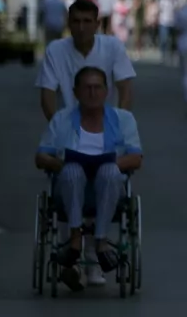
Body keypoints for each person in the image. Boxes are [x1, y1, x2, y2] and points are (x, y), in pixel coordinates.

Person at [35, 66, 143, 292]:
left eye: (97, 87)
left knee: (109, 171)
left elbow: (135, 157)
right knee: (73, 170)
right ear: (76, 92)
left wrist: (109, 163)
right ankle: (75, 238)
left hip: (109, 186)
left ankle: (101, 241)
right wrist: (62, 164)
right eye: (87, 88)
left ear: (106, 91)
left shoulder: (123, 119)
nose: (92, 93)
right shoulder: (62, 119)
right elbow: (41, 156)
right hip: (70, 186)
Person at [157, 0, 179, 65]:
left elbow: (178, 10)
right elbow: (159, 10)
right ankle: (163, 56)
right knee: (164, 39)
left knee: (174, 41)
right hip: (164, 22)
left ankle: (173, 56)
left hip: (173, 22)